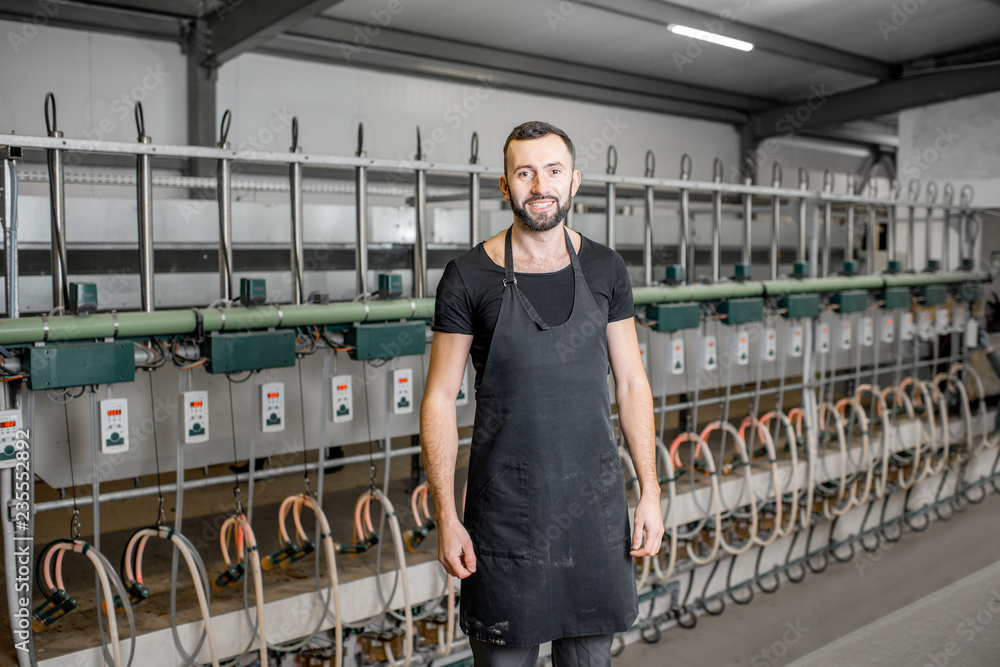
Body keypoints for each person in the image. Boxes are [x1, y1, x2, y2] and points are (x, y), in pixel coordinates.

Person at [420, 121, 663, 667]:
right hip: (506, 517)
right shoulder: (467, 276)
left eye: (553, 171)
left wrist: (649, 489)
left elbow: (631, 382)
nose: (540, 185)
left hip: (595, 516)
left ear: (574, 181)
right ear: (505, 186)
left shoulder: (606, 268)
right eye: (524, 172)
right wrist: (446, 514)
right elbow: (438, 399)